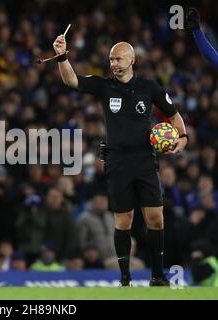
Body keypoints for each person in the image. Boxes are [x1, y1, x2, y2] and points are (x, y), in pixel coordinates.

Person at [53, 32, 188, 286]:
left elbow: (173, 114)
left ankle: (157, 275)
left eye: (118, 58)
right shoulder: (105, 86)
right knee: (123, 221)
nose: (113, 63)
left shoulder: (149, 87)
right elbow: (71, 80)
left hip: (145, 161)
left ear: (132, 60)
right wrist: (62, 55)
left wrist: (183, 139)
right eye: (111, 59)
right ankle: (125, 277)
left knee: (156, 218)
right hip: (117, 163)